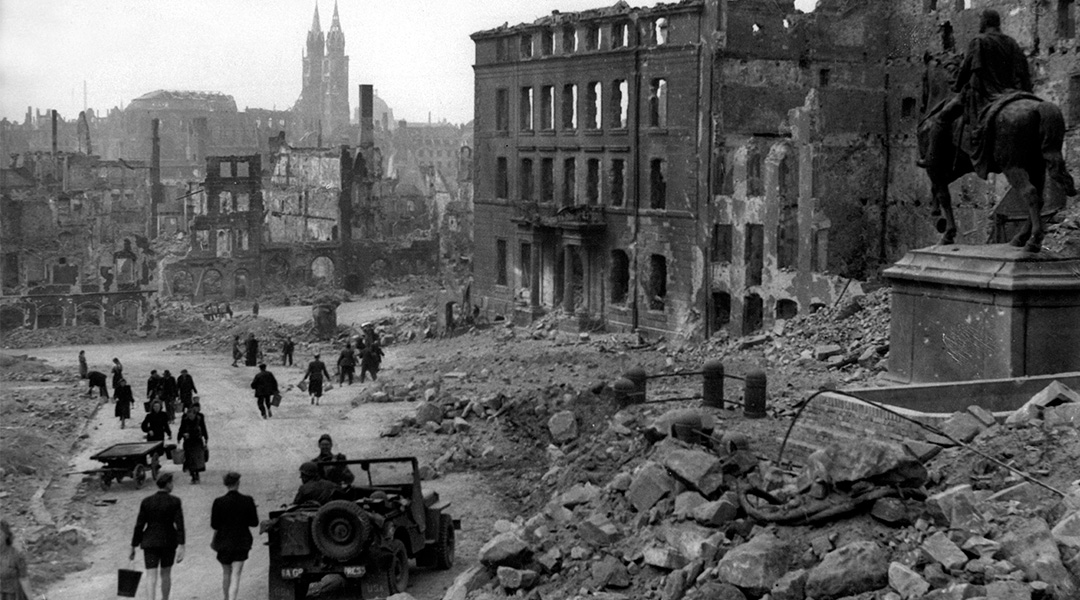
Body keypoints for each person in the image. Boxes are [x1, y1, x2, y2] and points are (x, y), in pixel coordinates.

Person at [918, 9, 1031, 170]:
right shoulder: (1011, 42)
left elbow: (966, 70)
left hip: (984, 94)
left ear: (985, 22)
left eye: (981, 20)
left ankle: (931, 158)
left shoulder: (979, 41)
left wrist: (957, 85)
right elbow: (1022, 71)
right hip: (1010, 94)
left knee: (941, 118)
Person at [130, 473, 185, 600]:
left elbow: (139, 525)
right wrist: (182, 544)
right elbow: (180, 525)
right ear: (168, 484)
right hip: (168, 542)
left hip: (150, 542)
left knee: (151, 575)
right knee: (166, 574)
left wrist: (133, 545)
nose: (172, 485)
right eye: (171, 483)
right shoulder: (175, 501)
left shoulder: (147, 501)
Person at [211, 472, 259, 600]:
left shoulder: (218, 502)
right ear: (238, 483)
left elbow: (214, 525)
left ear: (225, 484)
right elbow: (254, 523)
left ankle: (226, 598)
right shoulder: (247, 500)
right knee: (236, 574)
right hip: (241, 541)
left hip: (223, 542)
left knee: (226, 573)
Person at [1, 519, 35, 600]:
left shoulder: (16, 555)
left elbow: (24, 578)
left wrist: (30, 598)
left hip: (13, 596)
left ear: (6, 535)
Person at [177, 403, 209, 484]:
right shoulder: (185, 420)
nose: (190, 417)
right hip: (188, 442)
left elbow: (203, 428)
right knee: (189, 459)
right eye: (189, 415)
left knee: (196, 460)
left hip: (197, 442)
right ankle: (193, 476)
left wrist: (206, 437)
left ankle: (196, 475)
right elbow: (181, 429)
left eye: (191, 415)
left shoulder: (199, 419)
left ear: (195, 414)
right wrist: (179, 437)